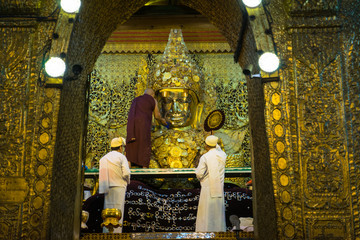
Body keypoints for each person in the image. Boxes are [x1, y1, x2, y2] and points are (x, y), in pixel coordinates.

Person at [126, 88, 167, 168]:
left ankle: (129, 167)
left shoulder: (136, 100)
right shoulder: (152, 100)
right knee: (144, 144)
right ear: (153, 95)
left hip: (132, 124)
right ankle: (144, 168)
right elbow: (157, 115)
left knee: (131, 146)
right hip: (143, 125)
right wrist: (163, 121)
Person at [195, 135, 227, 232]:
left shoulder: (205, 157)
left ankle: (205, 232)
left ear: (206, 145)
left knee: (206, 212)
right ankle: (219, 232)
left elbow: (199, 174)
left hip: (207, 187)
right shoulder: (223, 155)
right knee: (217, 212)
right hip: (219, 187)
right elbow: (219, 150)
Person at [99, 137, 131, 233]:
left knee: (107, 211)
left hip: (107, 187)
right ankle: (116, 234)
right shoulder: (121, 157)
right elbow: (126, 173)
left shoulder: (104, 158)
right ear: (120, 147)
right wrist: (127, 181)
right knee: (118, 211)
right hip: (119, 187)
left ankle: (106, 234)